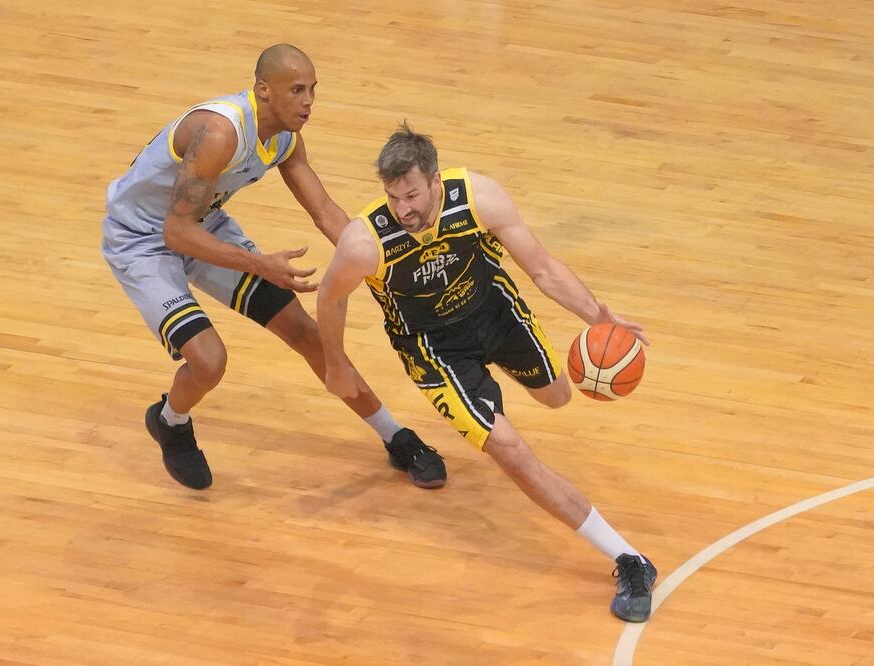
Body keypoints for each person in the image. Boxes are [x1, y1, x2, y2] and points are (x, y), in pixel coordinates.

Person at [316, 122, 657, 622]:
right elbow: (331, 296)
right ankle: (629, 558)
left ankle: (496, 385)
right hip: (434, 349)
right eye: (392, 198)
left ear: (435, 181)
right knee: (511, 452)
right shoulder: (366, 242)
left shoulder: (478, 197)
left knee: (558, 395)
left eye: (412, 195)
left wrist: (598, 319)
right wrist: (335, 361)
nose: (403, 209)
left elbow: (541, 268)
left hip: (495, 311)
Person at [101, 46, 446, 491]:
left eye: (313, 90)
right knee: (209, 362)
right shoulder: (220, 132)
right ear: (263, 90)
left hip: (201, 223)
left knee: (307, 334)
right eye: (297, 90)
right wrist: (259, 264)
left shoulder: (284, 137)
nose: (308, 102)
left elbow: (323, 209)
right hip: (142, 240)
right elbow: (176, 233)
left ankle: (396, 436)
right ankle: (170, 420)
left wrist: (387, 270)